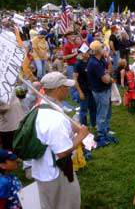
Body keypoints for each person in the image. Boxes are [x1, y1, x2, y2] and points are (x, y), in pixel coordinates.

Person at [33, 72, 89, 209]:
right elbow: (62, 152)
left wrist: (72, 127)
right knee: (67, 204)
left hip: (42, 169)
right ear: (58, 89)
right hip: (55, 173)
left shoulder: (42, 106)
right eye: (66, 86)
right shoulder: (54, 118)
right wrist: (81, 136)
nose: (69, 89)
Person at [87, 41, 115, 147]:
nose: (105, 49)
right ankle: (101, 133)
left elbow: (111, 72)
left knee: (107, 111)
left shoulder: (102, 59)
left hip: (105, 90)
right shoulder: (94, 63)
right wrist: (107, 75)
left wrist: (108, 59)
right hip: (100, 91)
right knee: (102, 113)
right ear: (99, 50)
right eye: (103, 48)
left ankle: (106, 129)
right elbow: (107, 80)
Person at [73, 46, 97, 128]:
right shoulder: (78, 64)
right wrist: (80, 92)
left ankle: (94, 124)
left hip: (91, 89)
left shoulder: (90, 61)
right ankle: (83, 127)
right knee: (83, 110)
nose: (89, 53)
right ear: (82, 54)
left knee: (93, 108)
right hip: (83, 90)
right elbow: (75, 79)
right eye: (87, 52)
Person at [62, 31, 79, 102]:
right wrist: (75, 54)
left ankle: (76, 96)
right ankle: (74, 98)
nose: (72, 35)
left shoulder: (75, 44)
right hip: (71, 65)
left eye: (73, 34)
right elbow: (65, 57)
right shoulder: (67, 45)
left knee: (76, 81)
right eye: (71, 34)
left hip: (76, 64)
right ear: (67, 37)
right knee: (72, 82)